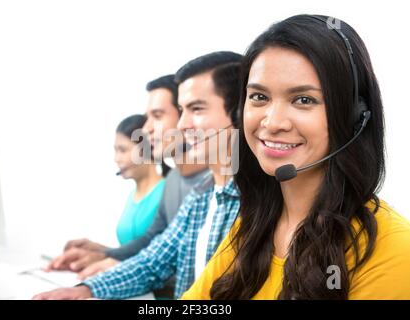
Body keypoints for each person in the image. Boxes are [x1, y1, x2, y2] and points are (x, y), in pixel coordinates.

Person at [182, 14, 410, 300]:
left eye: (304, 100)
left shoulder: (392, 249)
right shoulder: (253, 226)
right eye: (259, 97)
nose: (273, 122)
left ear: (354, 117)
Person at [33, 51, 243, 300]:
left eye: (196, 109)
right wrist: (85, 289)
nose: (183, 125)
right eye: (181, 110)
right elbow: (153, 260)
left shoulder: (256, 201)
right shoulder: (201, 196)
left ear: (239, 113)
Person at [45, 76, 208, 288]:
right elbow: (154, 243)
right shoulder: (174, 180)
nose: (146, 128)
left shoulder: (211, 185)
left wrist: (111, 265)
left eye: (157, 116)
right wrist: (105, 256)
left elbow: (185, 269)